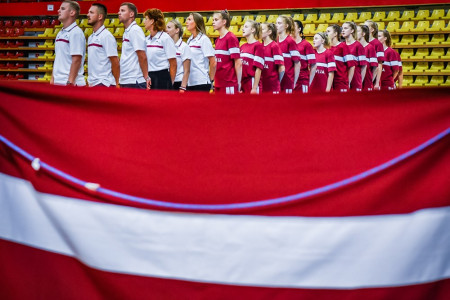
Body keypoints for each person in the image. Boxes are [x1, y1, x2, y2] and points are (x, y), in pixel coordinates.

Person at [51, 0, 86, 86]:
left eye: (62, 9)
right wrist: (52, 79)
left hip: (70, 83)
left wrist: (70, 82)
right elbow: (58, 58)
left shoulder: (76, 32)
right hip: (59, 82)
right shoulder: (60, 33)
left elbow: (77, 59)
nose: (58, 11)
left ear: (72, 13)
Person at [86, 3, 119, 87]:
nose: (87, 15)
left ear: (100, 16)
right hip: (92, 83)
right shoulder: (91, 37)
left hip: (104, 83)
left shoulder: (106, 36)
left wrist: (117, 83)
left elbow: (115, 61)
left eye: (91, 12)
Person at [118, 2, 150, 89]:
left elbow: (142, 55)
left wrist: (146, 77)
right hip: (126, 79)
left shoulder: (135, 30)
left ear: (131, 14)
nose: (119, 13)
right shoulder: (128, 30)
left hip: (134, 80)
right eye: (119, 11)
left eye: (122, 10)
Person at [143, 8, 177, 90]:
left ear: (152, 21)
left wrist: (170, 83)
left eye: (146, 19)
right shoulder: (146, 39)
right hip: (148, 77)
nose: (144, 21)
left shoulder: (165, 38)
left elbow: (173, 64)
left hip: (162, 78)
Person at [213, 9, 242, 94]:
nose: (213, 22)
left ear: (224, 21)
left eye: (216, 20)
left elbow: (238, 62)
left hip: (229, 83)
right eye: (213, 20)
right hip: (218, 83)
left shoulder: (231, 38)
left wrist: (239, 83)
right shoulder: (217, 39)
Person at [185, 12, 216, 91]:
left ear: (196, 23)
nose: (186, 22)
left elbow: (213, 62)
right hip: (190, 82)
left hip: (201, 82)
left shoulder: (204, 39)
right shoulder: (189, 40)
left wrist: (211, 80)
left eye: (189, 19)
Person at [276, 15, 300, 93]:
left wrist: (294, 81)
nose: (276, 25)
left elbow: (297, 63)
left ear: (286, 26)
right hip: (276, 80)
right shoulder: (274, 40)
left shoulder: (290, 41)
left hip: (288, 81)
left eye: (279, 23)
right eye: (276, 23)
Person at [326, 24, 354, 92]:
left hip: (340, 83)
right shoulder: (326, 48)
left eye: (328, 31)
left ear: (335, 34)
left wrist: (348, 82)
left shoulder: (343, 47)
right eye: (326, 32)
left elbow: (352, 66)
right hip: (329, 82)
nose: (326, 34)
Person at [240, 20, 264, 94]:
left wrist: (254, 88)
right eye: (243, 27)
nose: (242, 29)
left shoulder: (258, 46)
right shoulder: (242, 46)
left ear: (253, 30)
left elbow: (258, 69)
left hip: (252, 82)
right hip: (242, 83)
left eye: (246, 27)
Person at [166, 19, 191, 92]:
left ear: (177, 30)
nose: (166, 30)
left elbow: (187, 70)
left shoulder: (184, 47)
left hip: (179, 83)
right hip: (168, 82)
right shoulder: (166, 45)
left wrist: (183, 87)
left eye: (169, 27)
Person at [342, 21, 367, 91]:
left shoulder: (358, 46)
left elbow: (364, 66)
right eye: (342, 28)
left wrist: (360, 82)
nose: (343, 30)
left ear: (352, 30)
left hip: (355, 81)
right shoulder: (342, 45)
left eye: (346, 28)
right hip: (343, 80)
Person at [261, 22, 285, 93]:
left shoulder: (274, 46)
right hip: (262, 85)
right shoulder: (260, 46)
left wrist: (277, 82)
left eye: (262, 29)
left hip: (273, 86)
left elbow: (282, 68)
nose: (259, 31)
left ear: (269, 32)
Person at [293, 20, 316, 93]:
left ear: (299, 29)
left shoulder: (306, 45)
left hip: (302, 81)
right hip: (290, 80)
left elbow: (313, 65)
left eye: (293, 26)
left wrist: (309, 82)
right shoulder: (288, 43)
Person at [357, 25, 377, 91]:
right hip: (356, 81)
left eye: (358, 31)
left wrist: (370, 81)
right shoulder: (356, 47)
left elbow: (375, 67)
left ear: (363, 34)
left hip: (367, 82)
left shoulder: (370, 48)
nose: (355, 33)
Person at [365, 20, 384, 90]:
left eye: (366, 26)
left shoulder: (377, 44)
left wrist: (376, 82)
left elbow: (379, 64)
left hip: (372, 78)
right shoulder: (361, 42)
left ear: (372, 29)